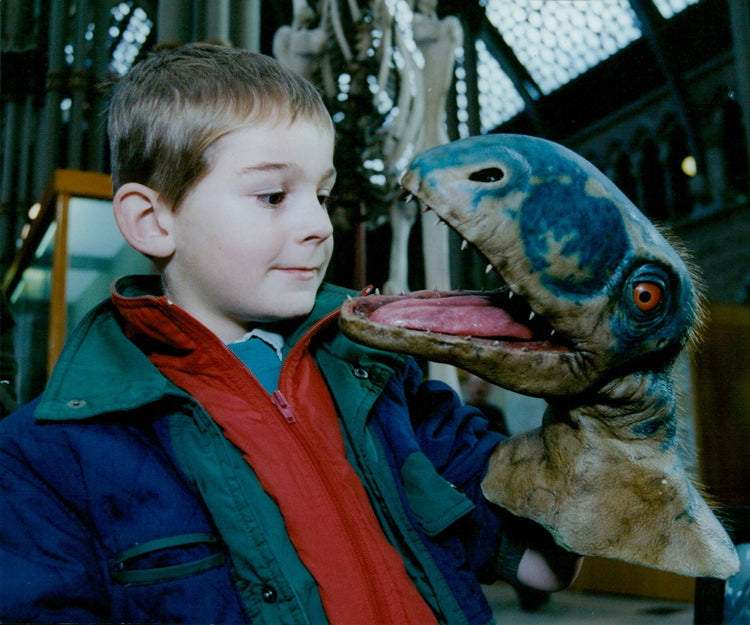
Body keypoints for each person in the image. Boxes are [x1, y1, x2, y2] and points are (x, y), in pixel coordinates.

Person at [0, 43, 581, 624]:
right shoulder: (47, 458)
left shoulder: (385, 382)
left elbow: (543, 562)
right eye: (273, 196)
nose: (318, 225)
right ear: (152, 221)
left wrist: (599, 403)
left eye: (322, 195)